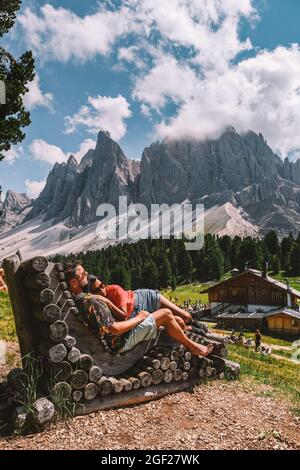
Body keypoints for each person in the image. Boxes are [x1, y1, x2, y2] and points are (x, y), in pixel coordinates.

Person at [65, 265, 213, 357]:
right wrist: (140, 317)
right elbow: (114, 329)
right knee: (166, 314)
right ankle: (192, 347)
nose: (86, 274)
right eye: (83, 274)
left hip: (117, 338)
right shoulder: (90, 300)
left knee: (178, 320)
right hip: (120, 342)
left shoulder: (85, 299)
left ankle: (192, 333)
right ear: (73, 282)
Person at [72, 262, 192, 325]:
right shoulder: (95, 300)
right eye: (97, 290)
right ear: (92, 293)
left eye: (102, 285)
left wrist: (108, 301)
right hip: (139, 312)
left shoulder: (114, 289)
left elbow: (124, 315)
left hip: (146, 299)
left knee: (186, 316)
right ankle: (194, 329)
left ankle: (200, 328)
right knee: (178, 321)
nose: (102, 290)